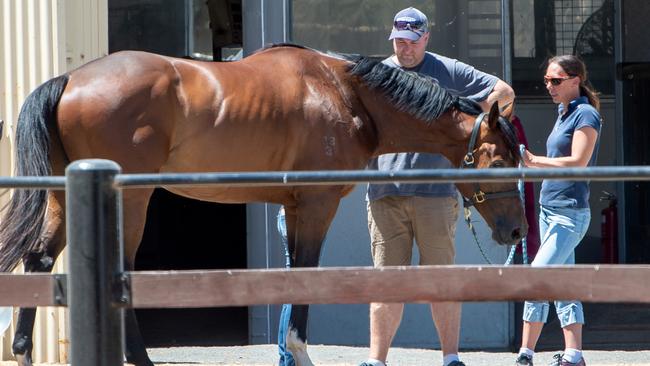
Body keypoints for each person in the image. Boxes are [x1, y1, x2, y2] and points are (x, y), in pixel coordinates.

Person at [360, 7, 515, 366]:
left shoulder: (447, 70)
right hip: (385, 194)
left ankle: (450, 358)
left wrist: (472, 129)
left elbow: (504, 94)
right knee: (386, 282)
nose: (405, 49)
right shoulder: (379, 75)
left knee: (441, 281)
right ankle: (376, 360)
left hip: (437, 195)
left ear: (426, 38)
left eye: (411, 42)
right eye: (398, 41)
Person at [514, 55, 601, 366]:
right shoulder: (563, 112)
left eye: (556, 81)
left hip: (569, 213)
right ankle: (574, 355)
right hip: (549, 209)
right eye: (547, 81)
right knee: (564, 283)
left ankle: (525, 354)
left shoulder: (586, 114)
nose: (549, 86)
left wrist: (535, 162)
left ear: (575, 81)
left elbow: (578, 161)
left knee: (539, 276)